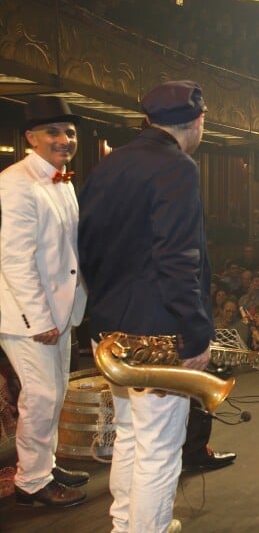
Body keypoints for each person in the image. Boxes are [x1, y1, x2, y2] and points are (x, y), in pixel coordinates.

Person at [78, 80, 218, 533]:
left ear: (147, 119)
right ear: (197, 122)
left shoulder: (109, 163)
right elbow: (177, 260)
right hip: (159, 329)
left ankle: (126, 525)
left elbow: (87, 248)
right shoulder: (177, 167)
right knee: (160, 447)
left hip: (111, 326)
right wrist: (195, 334)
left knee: (132, 436)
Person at [0, 96, 89, 507]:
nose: (64, 139)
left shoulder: (61, 179)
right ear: (30, 138)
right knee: (40, 396)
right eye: (53, 132)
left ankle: (45, 465)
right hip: (26, 316)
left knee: (55, 392)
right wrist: (39, 319)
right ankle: (31, 482)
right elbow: (15, 259)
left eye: (69, 132)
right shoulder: (15, 181)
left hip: (62, 309)